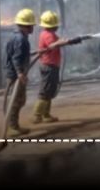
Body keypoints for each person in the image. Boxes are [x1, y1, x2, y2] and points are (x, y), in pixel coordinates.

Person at [32, 10, 69, 124]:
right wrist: (62, 42)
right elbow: (52, 46)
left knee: (49, 90)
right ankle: (37, 115)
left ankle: (46, 114)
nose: (57, 26)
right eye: (56, 25)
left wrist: (64, 41)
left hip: (50, 65)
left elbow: (55, 43)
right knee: (45, 90)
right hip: (49, 66)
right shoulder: (49, 35)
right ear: (53, 25)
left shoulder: (46, 33)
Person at [4, 8, 35, 136]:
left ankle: (13, 125)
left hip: (14, 73)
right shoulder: (21, 40)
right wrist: (20, 73)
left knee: (19, 100)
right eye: (31, 25)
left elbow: (16, 54)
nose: (33, 27)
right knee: (17, 100)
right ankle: (12, 127)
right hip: (16, 75)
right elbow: (16, 58)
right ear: (26, 25)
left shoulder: (16, 36)